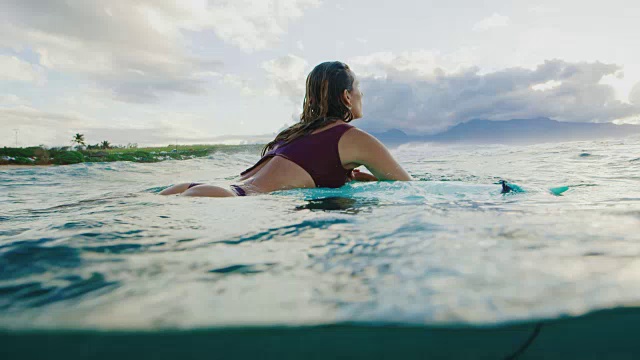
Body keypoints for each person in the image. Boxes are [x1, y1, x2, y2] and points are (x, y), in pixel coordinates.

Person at [159, 61, 412, 197]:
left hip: (202, 187)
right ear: (347, 96)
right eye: (358, 87)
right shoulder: (355, 139)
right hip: (225, 200)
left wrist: (349, 176)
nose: (362, 93)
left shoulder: (296, 133)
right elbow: (407, 187)